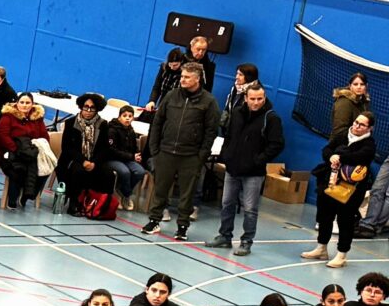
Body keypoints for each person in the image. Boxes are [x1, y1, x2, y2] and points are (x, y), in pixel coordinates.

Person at [141, 61, 221, 240]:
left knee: (187, 193)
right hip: (166, 152)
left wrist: (201, 155)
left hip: (191, 156)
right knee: (160, 189)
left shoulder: (209, 102)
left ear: (197, 79)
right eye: (182, 76)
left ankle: (182, 226)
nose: (182, 80)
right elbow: (157, 122)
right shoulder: (171, 96)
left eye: (186, 77)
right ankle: (154, 220)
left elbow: (211, 131)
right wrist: (155, 149)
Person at [204, 82, 285, 255]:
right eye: (253, 99)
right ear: (246, 99)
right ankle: (224, 236)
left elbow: (276, 145)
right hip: (233, 168)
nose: (256, 102)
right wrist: (226, 155)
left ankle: (246, 241)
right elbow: (228, 136)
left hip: (253, 173)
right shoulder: (236, 114)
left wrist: (258, 160)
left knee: (250, 209)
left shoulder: (271, 118)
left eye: (260, 99)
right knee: (227, 203)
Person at [304, 110, 375, 269]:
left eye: (362, 124)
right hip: (331, 182)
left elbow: (357, 157)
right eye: (356, 122)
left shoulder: (369, 145)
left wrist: (339, 155)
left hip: (351, 189)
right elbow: (327, 150)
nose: (356, 126)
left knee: (345, 220)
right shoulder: (343, 134)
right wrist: (331, 156)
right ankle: (321, 248)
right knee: (324, 216)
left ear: (369, 128)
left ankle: (342, 254)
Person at [0, 92, 48, 210]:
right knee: (18, 169)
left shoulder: (37, 118)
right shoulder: (7, 117)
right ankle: (12, 199)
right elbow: (3, 137)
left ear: (32, 104)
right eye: (21, 102)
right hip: (8, 152)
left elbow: (44, 137)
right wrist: (17, 150)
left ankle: (27, 196)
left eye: (28, 103)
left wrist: (33, 150)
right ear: (17, 103)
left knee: (44, 169)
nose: (24, 105)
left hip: (31, 153)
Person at [101, 103, 148, 203]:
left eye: (130, 116)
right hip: (112, 159)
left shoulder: (131, 130)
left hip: (127, 159)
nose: (127, 118)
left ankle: (122, 191)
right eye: (125, 116)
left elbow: (135, 147)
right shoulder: (112, 130)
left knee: (140, 171)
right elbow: (112, 151)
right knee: (125, 172)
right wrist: (132, 156)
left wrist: (138, 155)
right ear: (119, 117)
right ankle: (127, 196)